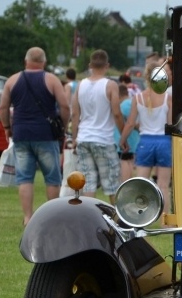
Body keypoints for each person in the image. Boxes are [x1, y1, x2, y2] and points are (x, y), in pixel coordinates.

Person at [0, 47, 70, 226]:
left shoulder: (12, 80)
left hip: (21, 134)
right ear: (44, 62)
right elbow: (64, 105)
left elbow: (3, 107)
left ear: (26, 61)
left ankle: (28, 217)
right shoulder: (51, 79)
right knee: (52, 178)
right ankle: (52, 217)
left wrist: (7, 127)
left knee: (24, 178)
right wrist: (62, 125)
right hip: (46, 135)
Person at [120, 60, 172, 215]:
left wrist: (122, 140)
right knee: (164, 185)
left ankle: (138, 218)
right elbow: (170, 125)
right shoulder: (167, 98)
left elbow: (130, 123)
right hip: (164, 142)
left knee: (141, 184)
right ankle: (166, 222)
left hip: (145, 142)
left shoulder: (138, 98)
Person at [71, 49, 124, 202]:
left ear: (90, 65)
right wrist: (123, 136)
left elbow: (75, 115)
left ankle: (89, 216)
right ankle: (116, 216)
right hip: (103, 139)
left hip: (84, 138)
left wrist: (75, 138)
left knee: (88, 182)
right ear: (107, 65)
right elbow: (116, 113)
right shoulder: (110, 85)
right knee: (112, 182)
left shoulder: (81, 85)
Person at [116, 83, 139, 181]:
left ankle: (125, 183)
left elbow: (133, 122)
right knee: (129, 161)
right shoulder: (131, 103)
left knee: (124, 161)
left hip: (127, 141)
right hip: (134, 140)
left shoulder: (124, 105)